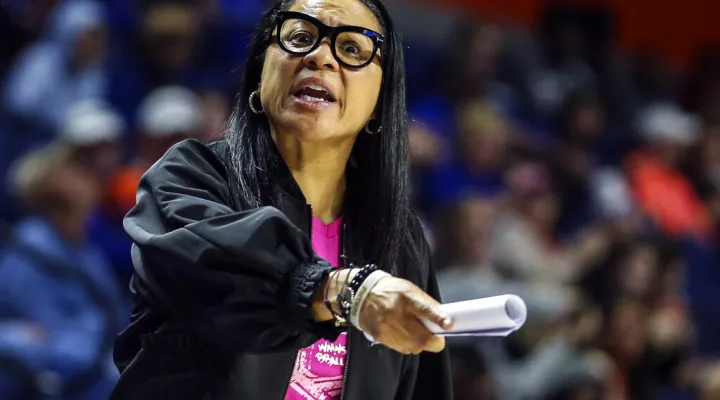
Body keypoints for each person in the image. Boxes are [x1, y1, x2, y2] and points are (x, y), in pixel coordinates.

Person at [110, 0, 454, 399]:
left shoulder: (401, 238)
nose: (320, 57)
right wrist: (342, 290)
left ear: (379, 104)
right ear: (259, 76)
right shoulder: (191, 176)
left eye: (352, 49)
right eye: (300, 37)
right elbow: (217, 266)